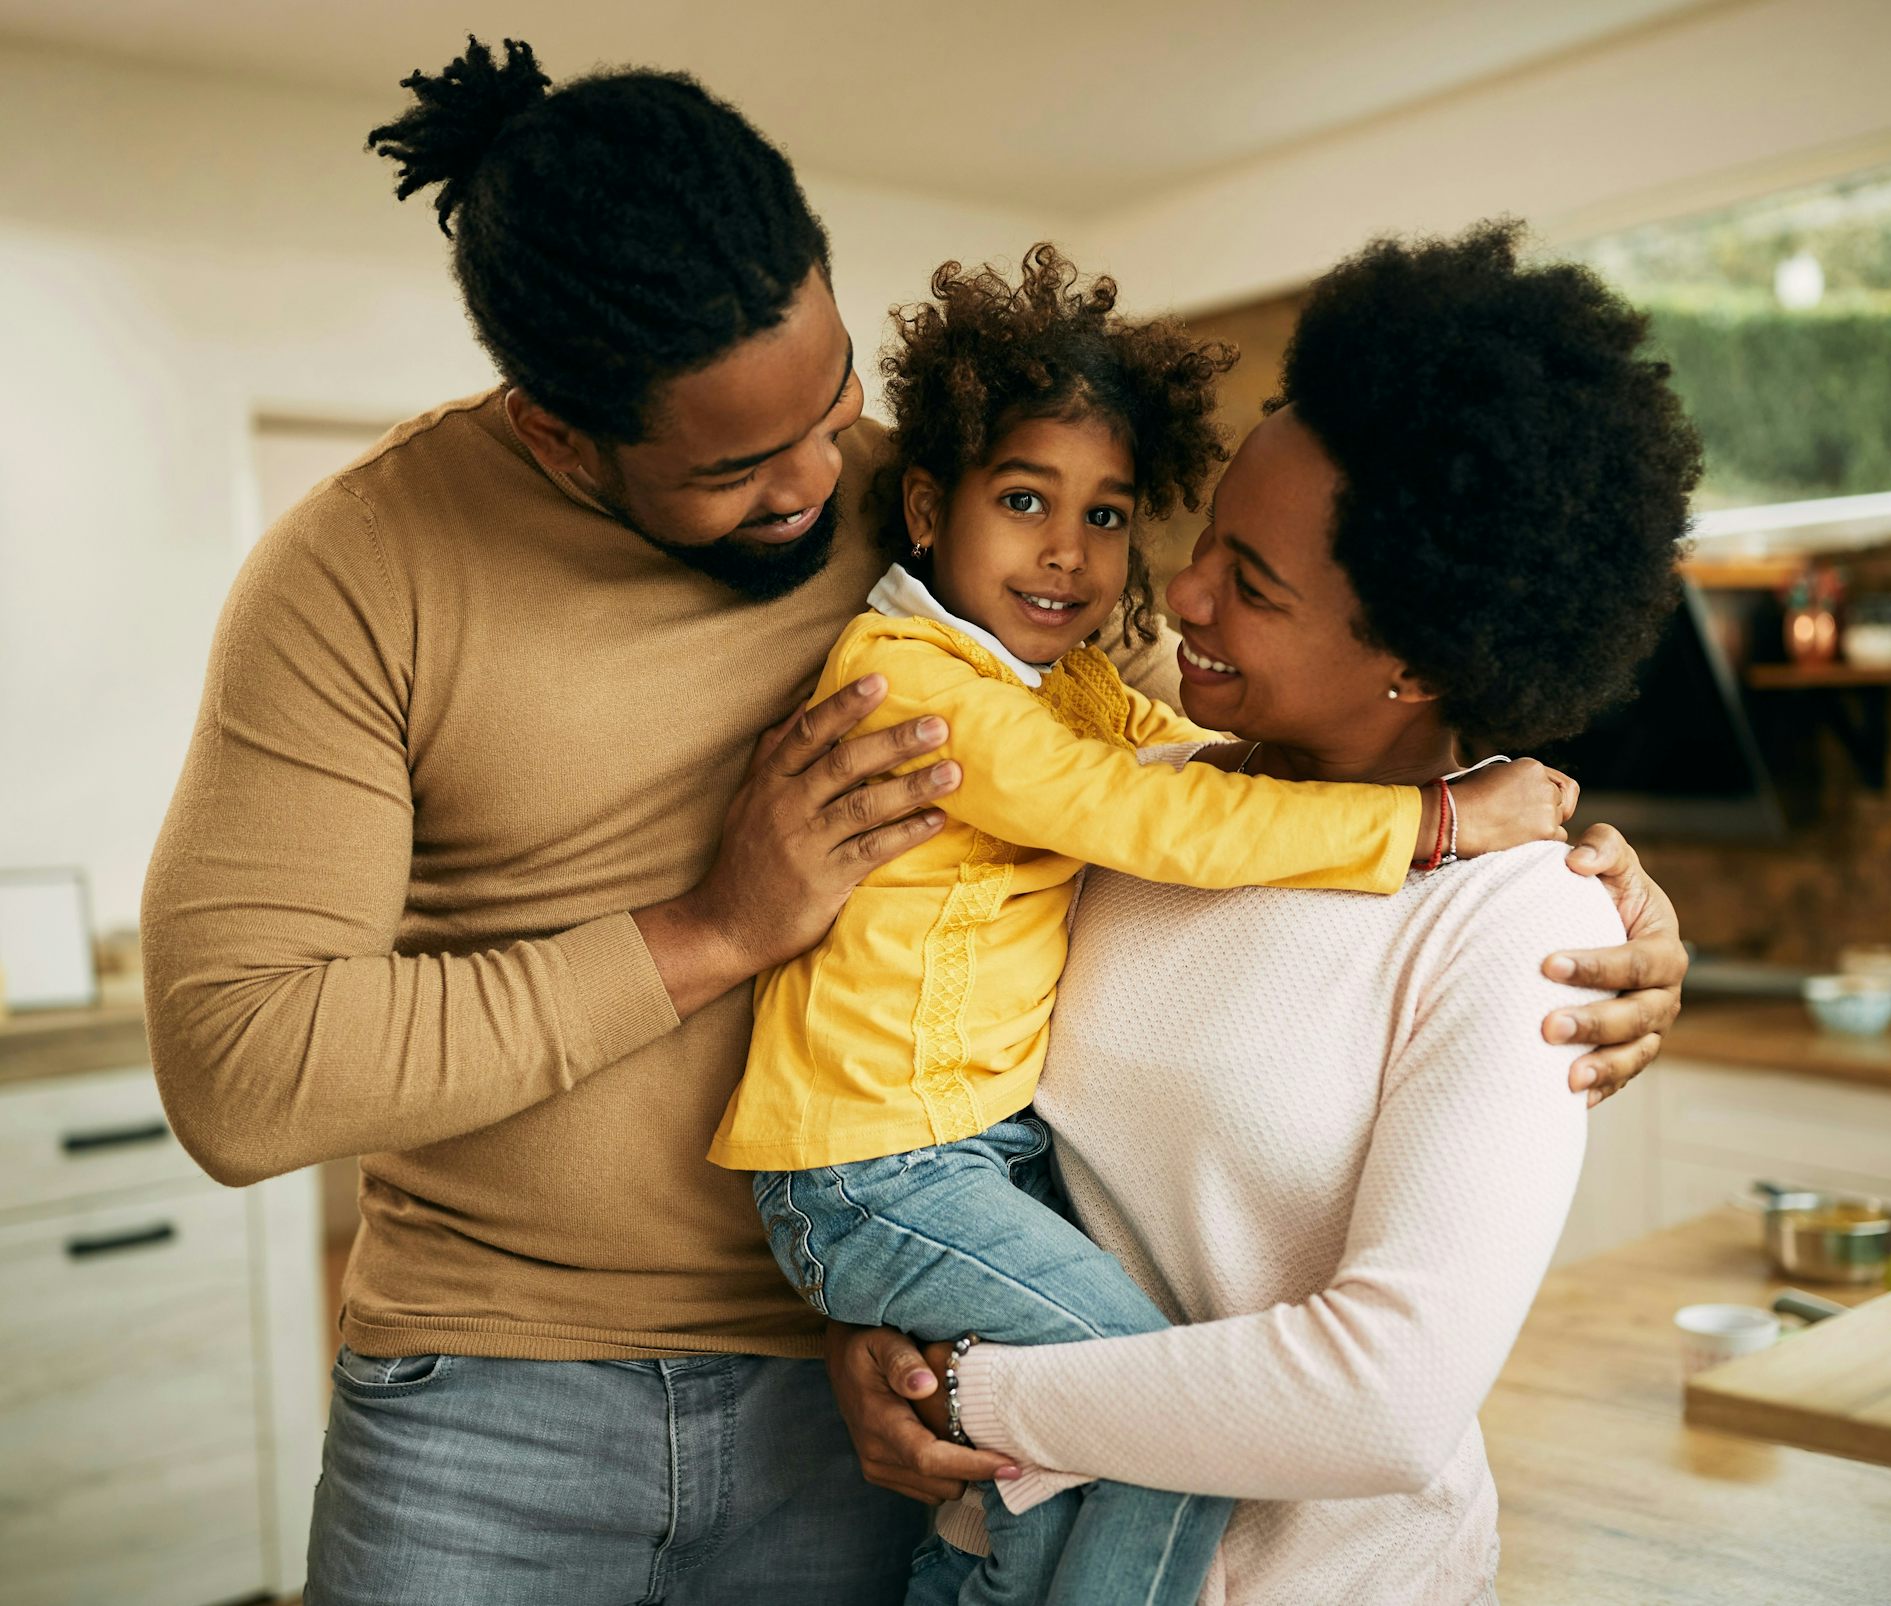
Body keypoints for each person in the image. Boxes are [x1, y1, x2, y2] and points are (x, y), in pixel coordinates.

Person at [138, 36, 1685, 1604]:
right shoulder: (354, 576)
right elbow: (244, 1074)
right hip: (498, 1392)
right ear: (560, 433)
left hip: (864, 1394)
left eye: (837, 402)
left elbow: (1239, 722)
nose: (823, 483)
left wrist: (1586, 889)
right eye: (742, 462)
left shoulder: (945, 507)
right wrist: (712, 932)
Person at [832, 222, 1701, 1606]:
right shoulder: (1129, 801)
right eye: (1207, 539)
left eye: (1254, 583)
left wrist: (985, 1395)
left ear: (1415, 658)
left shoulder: (1516, 914)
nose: (1178, 593)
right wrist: (883, 1348)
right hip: (999, 1566)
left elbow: (1383, 1399)